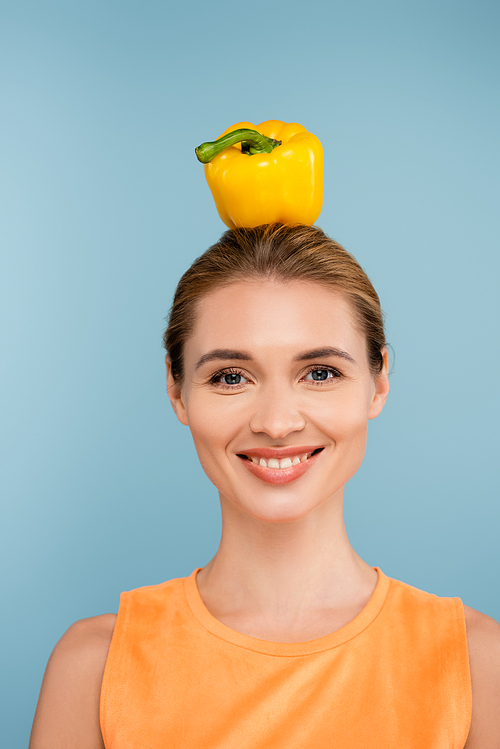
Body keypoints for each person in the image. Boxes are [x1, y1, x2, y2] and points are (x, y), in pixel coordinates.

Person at [30, 223, 500, 748]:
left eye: (319, 373)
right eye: (231, 376)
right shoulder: (92, 667)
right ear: (177, 389)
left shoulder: (478, 663)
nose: (277, 424)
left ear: (379, 382)